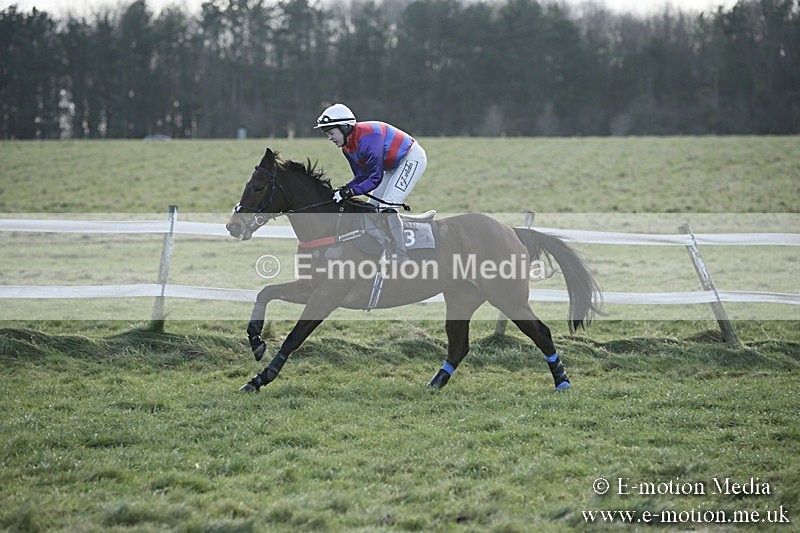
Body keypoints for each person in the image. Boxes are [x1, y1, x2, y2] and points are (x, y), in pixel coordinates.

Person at [314, 103, 427, 263]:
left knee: (387, 207)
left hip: (410, 158)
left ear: (345, 128)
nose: (330, 138)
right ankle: (381, 248)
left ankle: (400, 254)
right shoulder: (347, 147)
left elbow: (374, 178)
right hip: (390, 166)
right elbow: (361, 176)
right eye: (327, 134)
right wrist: (345, 189)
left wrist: (351, 192)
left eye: (331, 133)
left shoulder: (368, 138)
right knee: (371, 209)